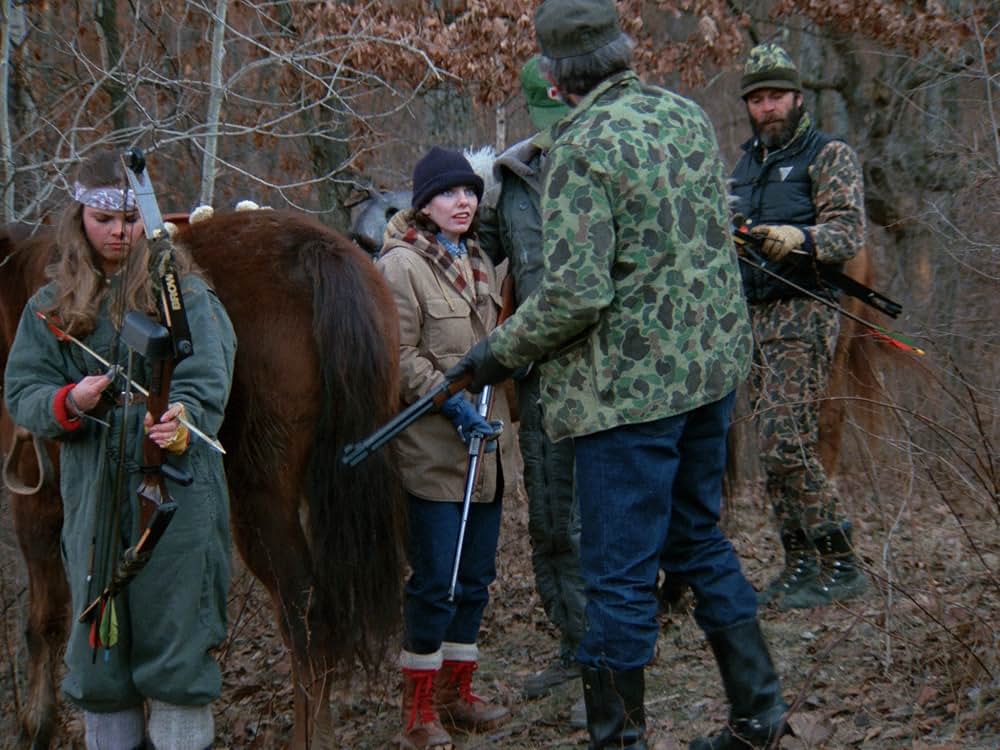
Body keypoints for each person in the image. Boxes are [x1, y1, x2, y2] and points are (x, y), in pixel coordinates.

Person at [447, 2, 790, 748]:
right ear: (618, 52)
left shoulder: (579, 147)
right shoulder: (685, 115)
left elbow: (575, 295)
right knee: (698, 540)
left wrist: (495, 352)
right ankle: (760, 716)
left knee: (616, 579)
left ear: (555, 76)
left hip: (628, 398)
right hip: (708, 377)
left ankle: (620, 740)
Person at [3, 149, 236, 749]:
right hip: (94, 499)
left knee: (179, 658)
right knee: (100, 666)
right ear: (80, 218)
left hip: (176, 496)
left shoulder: (185, 294)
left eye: (129, 220)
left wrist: (184, 418)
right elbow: (24, 390)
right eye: (103, 219)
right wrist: (70, 401)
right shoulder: (51, 306)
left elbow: (207, 373)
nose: (117, 232)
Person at [375, 146, 516, 750]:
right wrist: (449, 399)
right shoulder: (401, 266)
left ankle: (458, 694)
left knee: (476, 577)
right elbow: (400, 355)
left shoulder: (480, 259)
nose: (463, 202)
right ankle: (418, 710)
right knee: (436, 580)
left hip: (488, 455)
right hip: (433, 451)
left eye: (469, 192)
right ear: (424, 204)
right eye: (448, 193)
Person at [731, 43, 869, 611]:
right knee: (771, 449)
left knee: (787, 440)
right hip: (753, 317)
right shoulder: (744, 166)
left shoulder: (828, 154)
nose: (767, 108)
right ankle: (799, 563)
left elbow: (848, 233)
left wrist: (802, 237)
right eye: (757, 99)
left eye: (776, 96)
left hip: (804, 309)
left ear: (797, 97)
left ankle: (841, 559)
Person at [480, 56, 588, 723]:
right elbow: (481, 246)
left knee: (598, 522)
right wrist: (417, 227)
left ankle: (611, 663)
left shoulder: (609, 157)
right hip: (542, 375)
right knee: (549, 518)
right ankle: (576, 643)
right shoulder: (511, 179)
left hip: (612, 377)